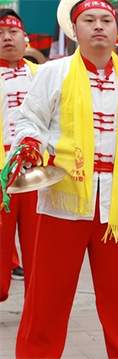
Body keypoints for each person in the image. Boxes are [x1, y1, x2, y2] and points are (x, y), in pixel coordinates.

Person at [11, 0, 118, 356]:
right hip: (62, 201)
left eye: (106, 20)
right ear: (75, 29)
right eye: (89, 20)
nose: (99, 26)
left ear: (116, 30)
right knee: (47, 300)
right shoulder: (54, 72)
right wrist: (29, 145)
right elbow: (29, 120)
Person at [0, 8, 39, 302]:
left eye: (12, 32)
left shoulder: (42, 75)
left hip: (38, 172)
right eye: (0, 34)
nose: (7, 38)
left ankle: (36, 304)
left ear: (24, 37)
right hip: (1, 173)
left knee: (37, 245)